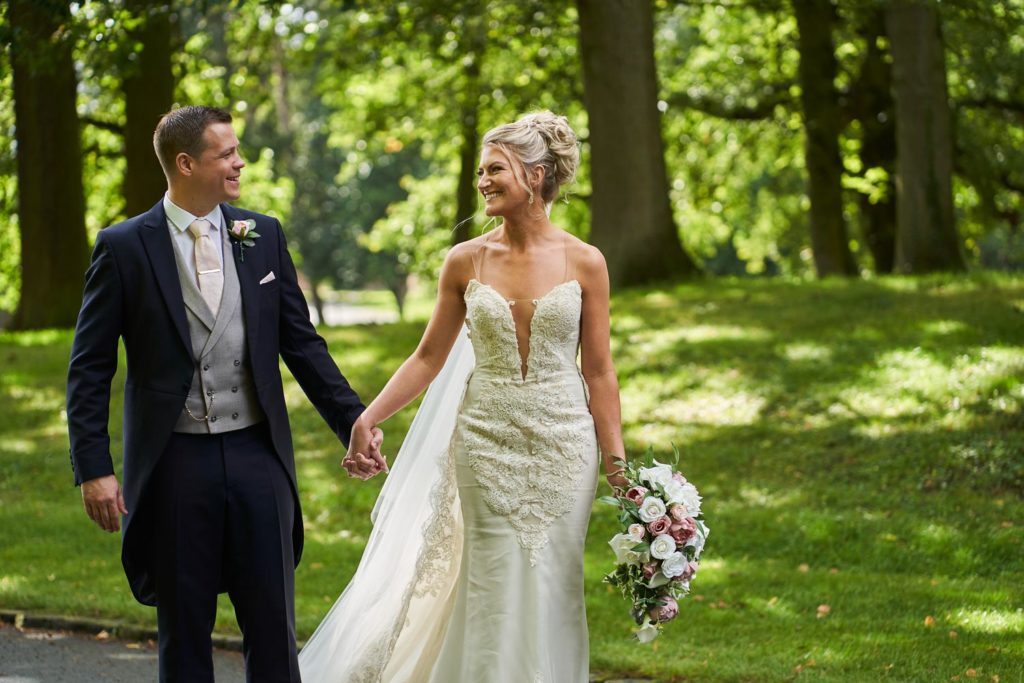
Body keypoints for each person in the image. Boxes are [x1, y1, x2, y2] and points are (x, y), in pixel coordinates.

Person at [299, 111, 628, 682]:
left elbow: (599, 371)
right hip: (484, 442)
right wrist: (367, 418)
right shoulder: (465, 261)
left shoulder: (586, 261)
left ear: (536, 173)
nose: (483, 181)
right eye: (481, 170)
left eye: (495, 169)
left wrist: (617, 463)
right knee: (492, 582)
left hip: (565, 447)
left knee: (554, 582)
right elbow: (427, 357)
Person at [66, 105, 384, 682]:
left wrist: (354, 421)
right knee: (184, 633)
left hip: (258, 455)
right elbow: (89, 369)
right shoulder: (123, 247)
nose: (239, 162)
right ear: (185, 164)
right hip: (173, 465)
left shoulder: (261, 234)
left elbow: (303, 345)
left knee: (272, 625)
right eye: (226, 154)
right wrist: (94, 466)